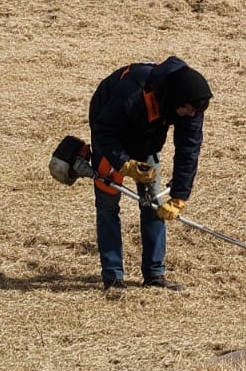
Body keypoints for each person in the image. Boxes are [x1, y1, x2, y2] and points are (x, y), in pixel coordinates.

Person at [88, 57, 212, 296]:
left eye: (195, 110)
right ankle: (113, 277)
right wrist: (124, 163)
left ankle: (154, 274)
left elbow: (189, 149)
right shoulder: (132, 91)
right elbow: (104, 129)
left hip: (147, 139)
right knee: (108, 202)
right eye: (188, 108)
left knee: (154, 202)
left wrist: (179, 196)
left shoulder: (192, 106)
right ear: (175, 99)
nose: (191, 114)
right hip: (110, 131)